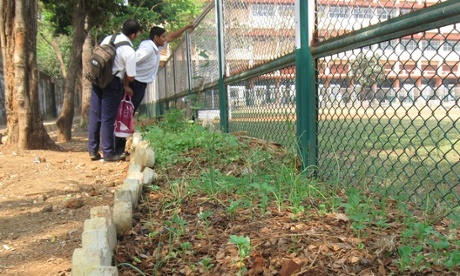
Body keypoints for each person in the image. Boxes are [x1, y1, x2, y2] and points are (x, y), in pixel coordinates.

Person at [115, 23, 194, 157]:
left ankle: (118, 148)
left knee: (127, 114)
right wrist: (126, 85)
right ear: (156, 37)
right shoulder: (147, 50)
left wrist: (185, 27)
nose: (165, 39)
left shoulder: (155, 46)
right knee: (125, 115)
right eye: (162, 37)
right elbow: (131, 62)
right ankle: (117, 149)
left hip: (140, 84)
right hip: (135, 85)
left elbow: (170, 37)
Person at [88, 19, 141, 162]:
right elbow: (131, 76)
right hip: (111, 84)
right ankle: (109, 153)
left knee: (95, 115)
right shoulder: (129, 51)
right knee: (108, 118)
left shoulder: (108, 38)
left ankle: (93, 150)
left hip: (97, 79)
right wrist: (126, 83)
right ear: (134, 35)